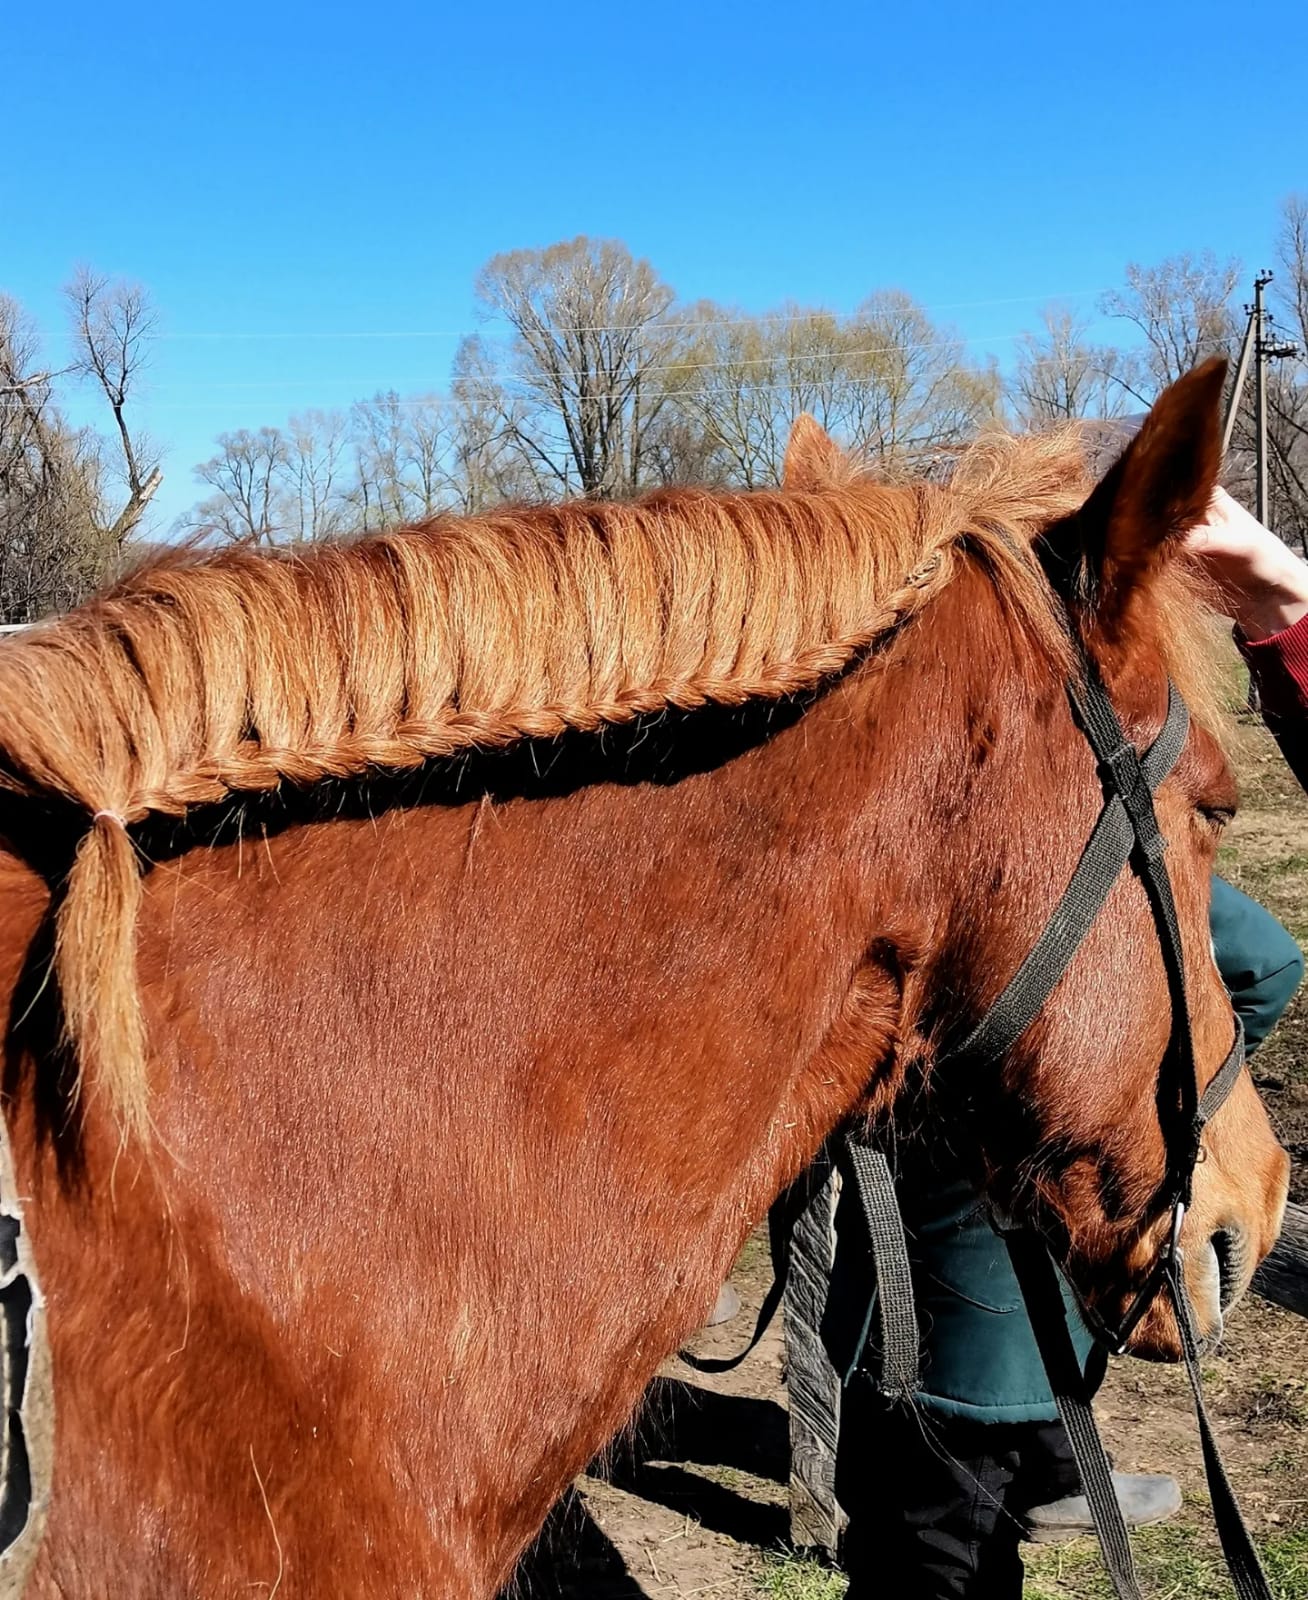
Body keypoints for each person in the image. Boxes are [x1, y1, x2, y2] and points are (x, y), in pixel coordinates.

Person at [829, 486, 1308, 1600]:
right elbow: (1266, 963)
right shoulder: (1070, 851)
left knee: (925, 1553)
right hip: (1016, 1308)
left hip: (901, 1319)